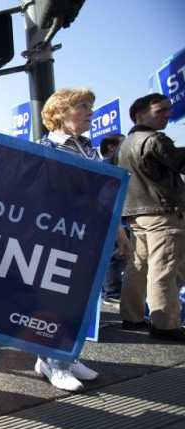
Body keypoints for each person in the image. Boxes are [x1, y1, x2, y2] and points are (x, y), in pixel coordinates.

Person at [36, 88, 132, 391]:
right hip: (59, 239)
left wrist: (120, 237)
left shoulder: (89, 150)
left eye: (90, 106)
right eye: (82, 106)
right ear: (60, 112)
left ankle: (69, 355)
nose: (90, 112)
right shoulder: (44, 148)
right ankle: (53, 363)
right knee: (56, 302)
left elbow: (106, 199)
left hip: (90, 238)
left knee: (82, 302)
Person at [114, 93, 185, 342]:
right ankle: (165, 324)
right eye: (161, 111)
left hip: (135, 214)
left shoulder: (123, 145)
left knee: (138, 266)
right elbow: (180, 163)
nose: (168, 114)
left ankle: (131, 317)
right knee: (163, 268)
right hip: (161, 212)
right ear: (140, 115)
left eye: (168, 110)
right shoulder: (155, 140)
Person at [99, 133, 128, 305]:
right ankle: (112, 292)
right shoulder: (108, 168)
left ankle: (111, 291)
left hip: (117, 219)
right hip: (113, 217)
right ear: (112, 147)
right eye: (123, 144)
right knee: (115, 255)